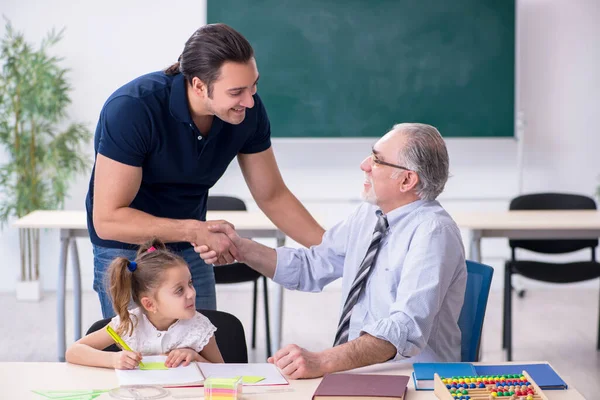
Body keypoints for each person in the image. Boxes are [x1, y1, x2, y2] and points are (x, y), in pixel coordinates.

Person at [86, 23, 324, 318]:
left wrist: (335, 251)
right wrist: (195, 230)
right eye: (236, 91)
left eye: (254, 86)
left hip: (188, 247)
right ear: (198, 85)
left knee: (202, 350)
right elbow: (108, 220)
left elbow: (273, 195)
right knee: (139, 357)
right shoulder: (133, 110)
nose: (249, 101)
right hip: (127, 249)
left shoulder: (247, 110)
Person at [197, 123, 467, 379]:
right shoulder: (369, 215)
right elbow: (312, 266)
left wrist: (323, 361)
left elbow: (404, 328)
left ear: (407, 180)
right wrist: (240, 248)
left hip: (412, 376)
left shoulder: (433, 232)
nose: (364, 165)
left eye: (376, 160)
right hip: (362, 369)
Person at [66, 239, 223, 369]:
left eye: (190, 283)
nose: (192, 293)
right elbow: (73, 352)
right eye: (179, 290)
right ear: (149, 304)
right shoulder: (129, 323)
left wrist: (195, 357)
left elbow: (224, 372)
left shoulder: (199, 326)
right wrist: (113, 360)